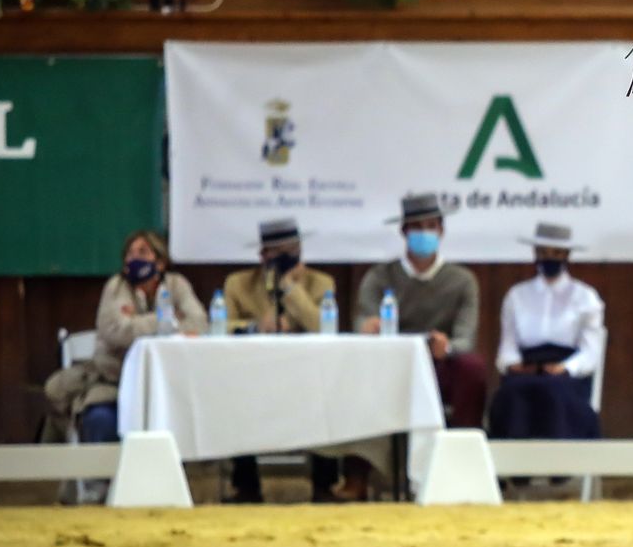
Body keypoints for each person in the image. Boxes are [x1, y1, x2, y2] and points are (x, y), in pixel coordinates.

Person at [43, 230, 207, 502]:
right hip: (113, 384)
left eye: (142, 253)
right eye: (130, 253)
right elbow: (114, 332)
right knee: (100, 419)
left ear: (160, 261)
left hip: (163, 389)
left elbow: (198, 324)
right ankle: (99, 488)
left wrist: (138, 323)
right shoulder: (116, 287)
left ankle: (166, 487)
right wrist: (162, 321)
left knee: (177, 419)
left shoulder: (176, 285)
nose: (134, 258)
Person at [220, 218, 344, 503]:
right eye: (276, 252)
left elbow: (322, 325)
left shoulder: (321, 282)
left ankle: (324, 485)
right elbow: (221, 327)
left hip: (305, 375)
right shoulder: (238, 284)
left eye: (291, 250)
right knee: (233, 395)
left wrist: (291, 290)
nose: (284, 257)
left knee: (326, 396)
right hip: (253, 374)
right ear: (262, 255)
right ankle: (247, 486)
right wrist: (255, 327)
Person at [355, 193, 487, 428]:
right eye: (416, 227)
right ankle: (366, 460)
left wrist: (446, 347)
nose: (424, 233)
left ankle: (463, 444)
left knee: (472, 367)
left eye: (431, 226)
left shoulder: (462, 280)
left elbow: (466, 339)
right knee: (359, 370)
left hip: (440, 363)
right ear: (403, 232)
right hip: (393, 361)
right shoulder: (379, 276)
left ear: (441, 231)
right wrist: (369, 328)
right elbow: (362, 323)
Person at [489, 223, 605, 446]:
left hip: (566, 375)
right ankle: (516, 467)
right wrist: (512, 364)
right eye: (543, 252)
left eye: (556, 253)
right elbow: (508, 345)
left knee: (553, 391)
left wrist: (566, 368)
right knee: (509, 394)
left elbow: (591, 351)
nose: (549, 258)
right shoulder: (517, 295)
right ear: (535, 254)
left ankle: (559, 466)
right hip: (525, 369)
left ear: (567, 255)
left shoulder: (585, 297)